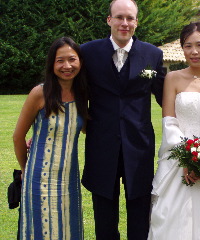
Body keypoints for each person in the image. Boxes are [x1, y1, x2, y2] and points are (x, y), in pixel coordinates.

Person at [80, 0, 165, 239]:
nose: (124, 23)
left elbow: (164, 98)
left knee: (139, 215)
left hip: (138, 146)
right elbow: (74, 92)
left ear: (136, 22)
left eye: (130, 18)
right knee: (104, 218)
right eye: (119, 17)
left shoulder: (153, 54)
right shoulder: (87, 52)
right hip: (101, 144)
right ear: (109, 20)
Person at [148, 22, 200, 240]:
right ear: (182, 48)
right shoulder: (173, 78)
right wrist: (187, 158)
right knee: (171, 219)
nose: (194, 52)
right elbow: (169, 121)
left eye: (199, 45)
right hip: (177, 161)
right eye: (187, 46)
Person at [13, 36, 88, 239]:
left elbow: (85, 129)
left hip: (69, 179)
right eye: (60, 60)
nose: (67, 66)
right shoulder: (40, 93)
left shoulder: (83, 94)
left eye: (72, 59)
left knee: (67, 229)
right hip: (38, 179)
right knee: (40, 231)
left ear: (80, 61)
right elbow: (18, 137)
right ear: (51, 64)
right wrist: (24, 168)